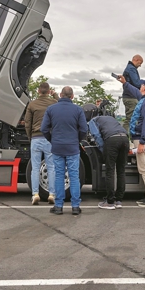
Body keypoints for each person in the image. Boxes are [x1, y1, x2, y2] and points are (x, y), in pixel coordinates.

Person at [41, 86, 88, 215]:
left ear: (61, 95)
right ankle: (75, 206)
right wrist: (76, 140)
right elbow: (84, 129)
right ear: (72, 96)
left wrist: (52, 139)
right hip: (72, 147)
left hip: (57, 147)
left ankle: (58, 206)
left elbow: (44, 128)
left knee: (59, 176)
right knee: (74, 177)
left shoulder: (51, 109)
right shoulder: (78, 110)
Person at [117, 75, 145, 207]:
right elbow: (135, 92)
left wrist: (142, 142)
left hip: (143, 138)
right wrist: (125, 83)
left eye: (141, 85)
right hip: (143, 137)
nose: (139, 87)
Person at [24, 82, 58, 205]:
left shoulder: (32, 105)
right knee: (51, 167)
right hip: (49, 138)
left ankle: (35, 194)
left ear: (38, 91)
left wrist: (30, 137)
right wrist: (55, 95)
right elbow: (61, 105)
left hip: (36, 138)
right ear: (49, 91)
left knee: (35, 168)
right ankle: (52, 194)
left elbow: (27, 123)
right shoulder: (53, 103)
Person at [89, 111, 129, 210]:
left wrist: (103, 149)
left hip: (111, 140)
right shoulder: (111, 118)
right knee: (121, 171)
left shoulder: (93, 121)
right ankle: (119, 200)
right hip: (125, 139)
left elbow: (96, 135)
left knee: (110, 171)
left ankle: (110, 201)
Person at [121, 55, 143, 133]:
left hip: (128, 96)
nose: (140, 65)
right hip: (131, 97)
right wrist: (143, 84)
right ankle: (123, 136)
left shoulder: (130, 68)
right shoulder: (131, 69)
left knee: (130, 118)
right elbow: (136, 83)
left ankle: (125, 136)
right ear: (136, 60)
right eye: (140, 63)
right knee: (131, 119)